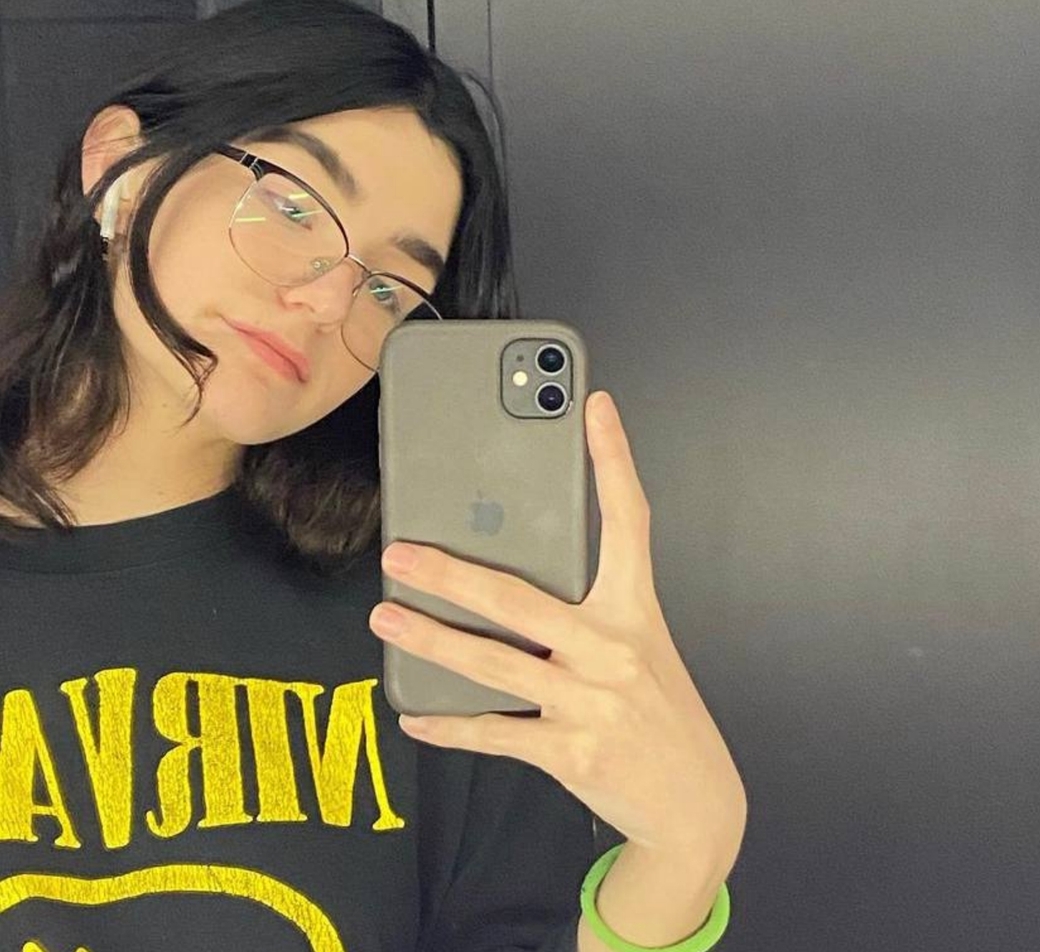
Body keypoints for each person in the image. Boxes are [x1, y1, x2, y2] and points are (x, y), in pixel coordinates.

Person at [0, 2, 747, 950]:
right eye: (293, 205)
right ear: (123, 165)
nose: (328, 300)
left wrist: (684, 855)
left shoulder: (434, 629)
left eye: (390, 286)